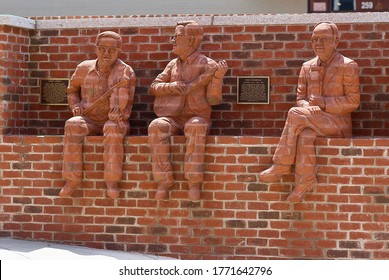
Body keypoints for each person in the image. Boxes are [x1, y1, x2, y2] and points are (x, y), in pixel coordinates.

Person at [259, 22, 360, 202]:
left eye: (324, 39)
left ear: (336, 41)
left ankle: (281, 164)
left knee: (294, 114)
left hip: (337, 123)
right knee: (305, 134)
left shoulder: (348, 65)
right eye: (314, 40)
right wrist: (306, 107)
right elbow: (301, 97)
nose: (318, 44)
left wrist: (324, 103)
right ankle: (305, 180)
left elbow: (353, 101)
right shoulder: (307, 66)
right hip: (312, 119)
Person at [148, 20, 228, 201]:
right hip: (172, 117)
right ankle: (163, 179)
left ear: (191, 40)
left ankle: (193, 182)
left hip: (196, 116)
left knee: (196, 127)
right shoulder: (171, 65)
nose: (172, 40)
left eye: (176, 37)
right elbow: (154, 87)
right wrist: (172, 87)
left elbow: (214, 100)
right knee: (156, 126)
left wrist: (217, 79)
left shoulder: (209, 65)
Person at [60, 31, 136, 199]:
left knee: (112, 128)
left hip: (114, 119)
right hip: (89, 118)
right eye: (102, 49)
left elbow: (127, 101)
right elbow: (72, 91)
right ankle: (71, 180)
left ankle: (112, 181)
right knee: (72, 124)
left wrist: (120, 113)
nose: (106, 53)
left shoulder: (125, 71)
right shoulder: (83, 68)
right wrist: (76, 105)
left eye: (111, 50)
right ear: (95, 49)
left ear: (119, 50)